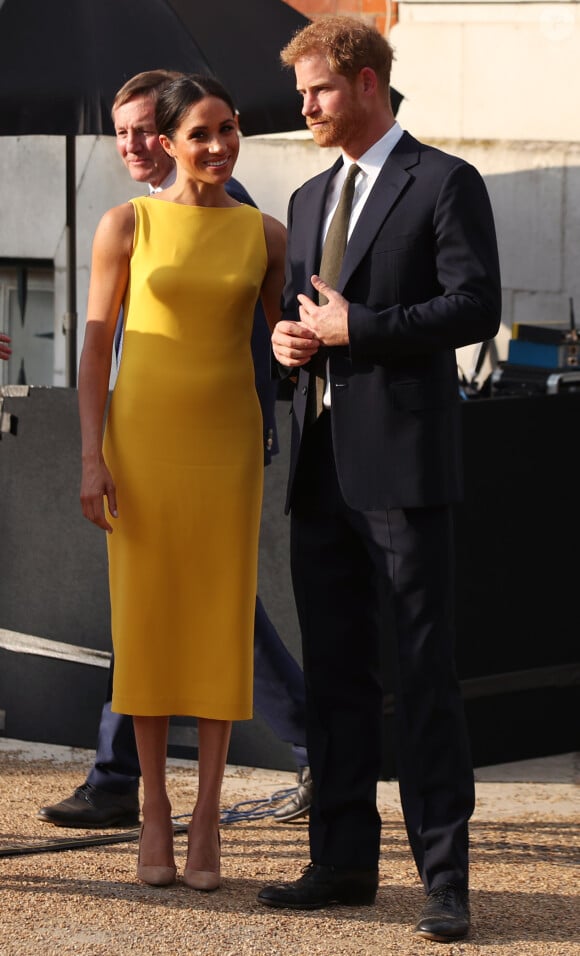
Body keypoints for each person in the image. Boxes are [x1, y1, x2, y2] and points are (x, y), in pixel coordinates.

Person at [256, 16, 502, 943]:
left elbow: (477, 304)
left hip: (402, 469)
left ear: (365, 83)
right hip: (320, 473)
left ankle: (446, 881)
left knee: (425, 676)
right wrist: (288, 345)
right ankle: (343, 863)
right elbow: (304, 316)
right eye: (303, 93)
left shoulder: (444, 181)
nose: (304, 107)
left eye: (316, 90)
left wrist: (365, 330)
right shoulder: (312, 197)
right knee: (335, 679)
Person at [38, 70, 311, 833]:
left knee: (222, 619)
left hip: (223, 444)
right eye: (202, 133)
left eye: (227, 130)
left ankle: (193, 807)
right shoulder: (125, 222)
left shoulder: (258, 229)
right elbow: (97, 348)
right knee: (148, 617)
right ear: (170, 141)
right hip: (144, 441)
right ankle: (140, 793)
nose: (220, 144)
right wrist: (91, 455)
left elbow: (283, 339)